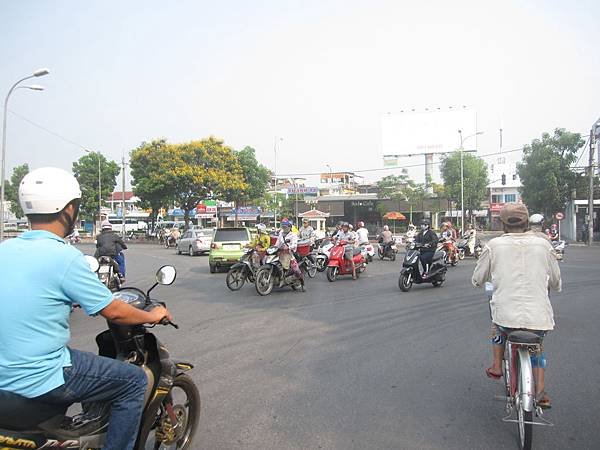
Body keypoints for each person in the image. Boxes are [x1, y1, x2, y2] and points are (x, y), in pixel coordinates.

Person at [0, 167, 172, 450]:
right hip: (41, 375)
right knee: (132, 381)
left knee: (94, 365)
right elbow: (114, 310)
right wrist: (153, 315)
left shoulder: (5, 250)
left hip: (5, 371)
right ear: (69, 209)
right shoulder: (64, 257)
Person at [472, 203, 561, 409]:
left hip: (505, 315)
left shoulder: (493, 246)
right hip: (538, 317)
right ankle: (541, 392)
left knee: (498, 327)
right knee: (537, 347)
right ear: (527, 222)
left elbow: (477, 279)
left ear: (503, 223)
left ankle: (496, 366)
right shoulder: (544, 245)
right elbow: (556, 282)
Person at [275, 218, 304, 289]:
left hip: (289, 254)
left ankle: (302, 283)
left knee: (296, 270)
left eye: (286, 226)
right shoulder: (280, 234)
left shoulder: (293, 235)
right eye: (283, 226)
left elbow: (294, 245)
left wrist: (288, 247)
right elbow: (277, 243)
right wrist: (274, 247)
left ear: (289, 227)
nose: (284, 228)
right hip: (280, 253)